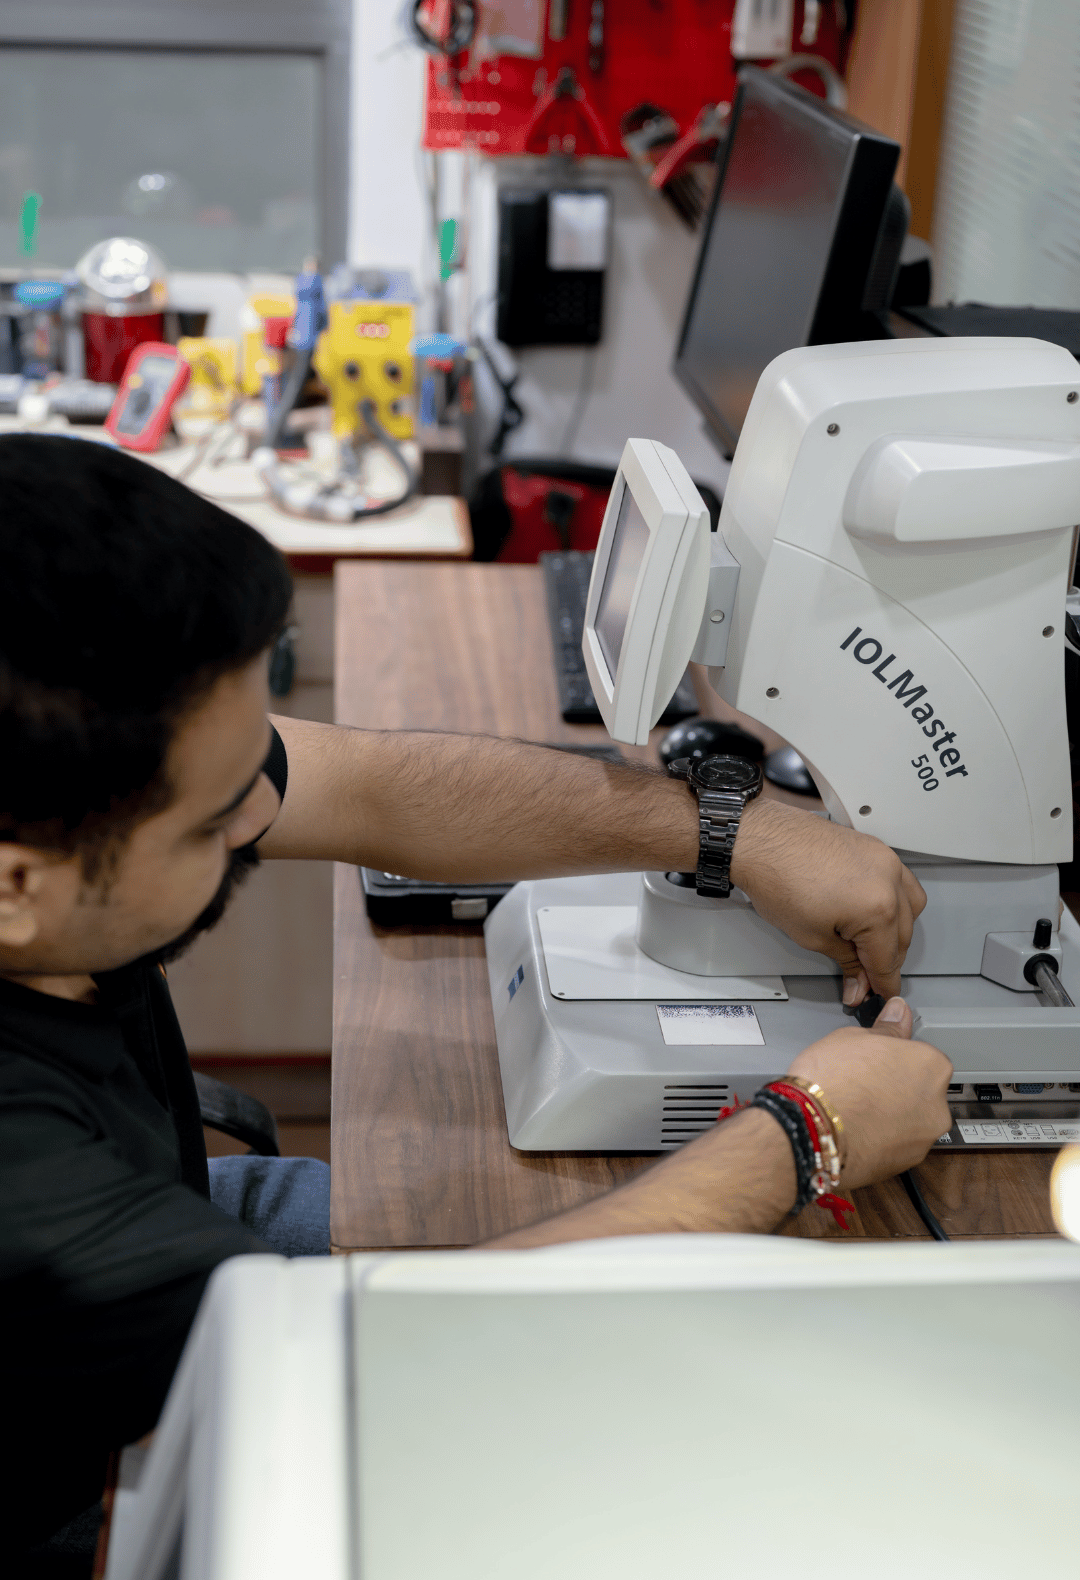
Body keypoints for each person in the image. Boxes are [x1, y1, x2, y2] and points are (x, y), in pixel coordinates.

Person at [0, 437, 949, 1560]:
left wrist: (733, 829)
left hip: (159, 1220)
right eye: (214, 820)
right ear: (17, 886)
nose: (265, 811)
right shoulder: (26, 1181)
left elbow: (372, 788)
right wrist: (808, 1131)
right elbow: (378, 1363)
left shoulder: (64, 783)